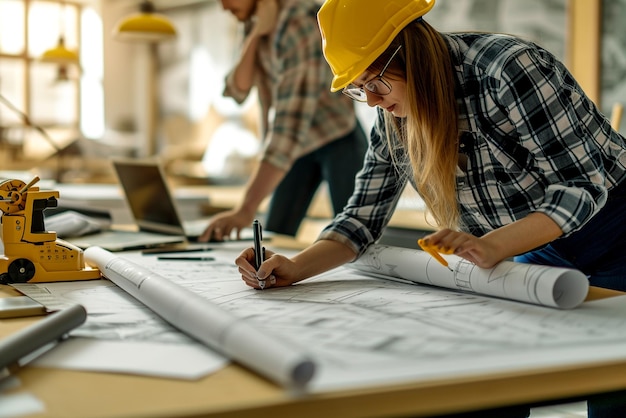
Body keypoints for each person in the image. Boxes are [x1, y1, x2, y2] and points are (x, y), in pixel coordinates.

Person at [234, 0, 626, 416]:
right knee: (494, 379)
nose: (370, 101)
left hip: (615, 226)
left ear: (409, 54)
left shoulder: (509, 69)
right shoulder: (396, 116)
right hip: (528, 242)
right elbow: (361, 219)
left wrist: (494, 245)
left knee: (613, 381)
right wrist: (295, 268)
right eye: (357, 88)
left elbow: (581, 184)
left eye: (374, 82)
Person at [200, 0, 367, 241]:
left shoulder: (299, 25)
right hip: (296, 146)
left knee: (354, 237)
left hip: (337, 137)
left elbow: (288, 130)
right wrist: (257, 33)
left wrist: (246, 209)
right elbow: (236, 89)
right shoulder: (255, 21)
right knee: (274, 235)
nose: (223, 7)